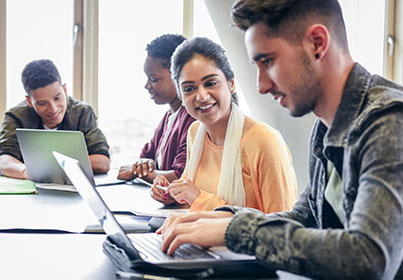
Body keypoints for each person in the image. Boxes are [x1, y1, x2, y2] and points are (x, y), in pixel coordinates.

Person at [157, 0, 403, 279]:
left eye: (268, 62)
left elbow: (368, 259)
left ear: (318, 43)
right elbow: (305, 216)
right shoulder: (325, 126)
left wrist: (236, 231)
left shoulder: (389, 122)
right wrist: (220, 218)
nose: (261, 85)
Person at [151, 37, 297, 214]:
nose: (202, 96)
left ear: (232, 84)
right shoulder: (195, 132)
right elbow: (191, 201)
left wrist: (199, 198)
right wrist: (170, 194)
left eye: (211, 83)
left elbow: (281, 227)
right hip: (199, 238)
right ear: (180, 95)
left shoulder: (264, 141)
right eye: (189, 89)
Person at [0, 59, 110, 179]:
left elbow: (103, 161)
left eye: (57, 98)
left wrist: (52, 168)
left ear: (65, 90)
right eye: (42, 103)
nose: (53, 109)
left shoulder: (82, 113)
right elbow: (4, 160)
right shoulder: (16, 117)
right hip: (33, 192)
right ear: (29, 101)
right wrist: (29, 172)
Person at [117, 34, 196, 184]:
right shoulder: (169, 116)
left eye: (153, 79)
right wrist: (141, 167)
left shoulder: (193, 119)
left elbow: (180, 176)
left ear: (178, 75)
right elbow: (146, 157)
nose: (147, 85)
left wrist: (136, 172)